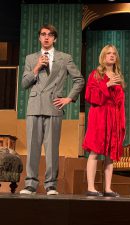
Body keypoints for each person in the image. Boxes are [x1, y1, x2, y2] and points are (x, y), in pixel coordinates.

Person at [20, 24, 85, 195]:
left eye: (50, 35)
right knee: (32, 147)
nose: (46, 37)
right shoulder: (31, 58)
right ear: (39, 38)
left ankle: (50, 185)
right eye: (43, 34)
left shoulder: (65, 58)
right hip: (34, 106)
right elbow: (24, 84)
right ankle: (31, 184)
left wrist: (68, 98)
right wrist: (36, 68)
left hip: (53, 106)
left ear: (54, 38)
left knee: (51, 149)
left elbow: (79, 79)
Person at [82, 44, 126, 197]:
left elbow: (120, 103)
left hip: (113, 118)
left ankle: (107, 188)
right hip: (99, 117)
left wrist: (121, 124)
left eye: (114, 53)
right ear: (103, 56)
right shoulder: (96, 74)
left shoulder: (118, 76)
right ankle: (91, 187)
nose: (112, 56)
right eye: (108, 53)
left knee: (110, 154)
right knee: (95, 151)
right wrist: (106, 85)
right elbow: (90, 96)